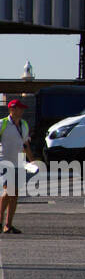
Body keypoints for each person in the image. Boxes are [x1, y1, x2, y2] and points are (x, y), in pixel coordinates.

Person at [0, 99, 31, 234]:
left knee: (15, 193)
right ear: (12, 109)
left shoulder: (24, 124)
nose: (22, 111)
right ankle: (0, 221)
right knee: (9, 191)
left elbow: (25, 145)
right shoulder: (2, 124)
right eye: (19, 108)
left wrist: (33, 161)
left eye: (22, 108)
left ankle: (8, 224)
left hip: (19, 162)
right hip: (4, 161)